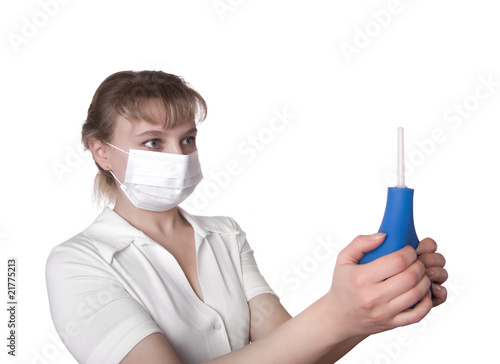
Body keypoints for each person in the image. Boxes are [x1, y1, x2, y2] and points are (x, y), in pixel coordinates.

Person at [45, 70, 448, 364]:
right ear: (100, 151)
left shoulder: (225, 234)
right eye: (153, 142)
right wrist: (338, 309)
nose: (178, 157)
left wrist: (372, 308)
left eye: (187, 139)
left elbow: (292, 351)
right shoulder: (77, 263)